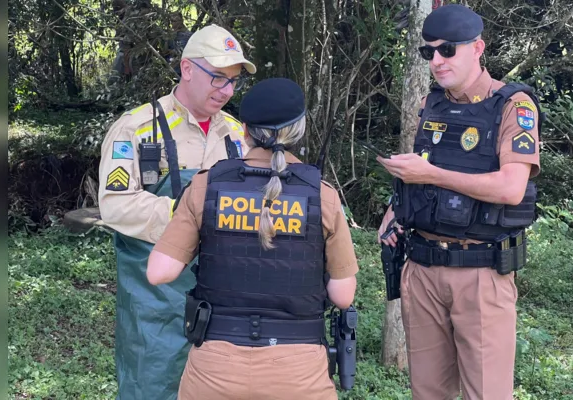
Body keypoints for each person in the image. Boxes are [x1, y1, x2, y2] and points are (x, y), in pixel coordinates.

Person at [146, 77, 359, 400]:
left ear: (244, 130)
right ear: (299, 130)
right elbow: (343, 296)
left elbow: (158, 272)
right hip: (298, 373)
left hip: (215, 369)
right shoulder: (323, 196)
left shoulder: (206, 187)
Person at [376, 4, 543, 400]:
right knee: (427, 392)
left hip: (481, 272)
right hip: (422, 267)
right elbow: (421, 171)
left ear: (477, 48)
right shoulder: (430, 105)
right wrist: (394, 211)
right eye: (427, 52)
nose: (436, 60)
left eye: (447, 50)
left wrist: (431, 175)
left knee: (486, 393)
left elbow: (510, 188)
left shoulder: (513, 106)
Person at [97, 24, 257, 400]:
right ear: (187, 69)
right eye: (218, 78)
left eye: (233, 82)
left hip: (223, 298)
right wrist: (186, 216)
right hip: (154, 300)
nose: (227, 91)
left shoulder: (238, 136)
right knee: (151, 387)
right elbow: (116, 204)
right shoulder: (136, 129)